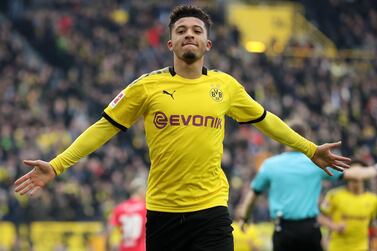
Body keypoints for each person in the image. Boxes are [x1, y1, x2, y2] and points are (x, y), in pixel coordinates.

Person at [14, 5, 351, 251]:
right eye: (181, 31)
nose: (189, 33)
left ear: (208, 45)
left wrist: (310, 148)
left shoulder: (226, 87)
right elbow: (103, 127)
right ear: (171, 44)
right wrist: (57, 165)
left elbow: (267, 121)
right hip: (163, 214)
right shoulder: (145, 87)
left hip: (212, 212)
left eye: (197, 30)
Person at [235, 122, 375, 251]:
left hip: (283, 230)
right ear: (306, 138)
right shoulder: (316, 163)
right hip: (309, 229)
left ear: (283, 136)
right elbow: (355, 174)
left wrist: (245, 217)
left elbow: (253, 194)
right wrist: (374, 168)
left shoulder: (270, 165)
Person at [319, 160, 377, 251]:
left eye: (360, 170)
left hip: (362, 248)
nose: (357, 173)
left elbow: (372, 224)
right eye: (353, 170)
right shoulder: (334, 195)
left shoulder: (373, 200)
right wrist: (333, 226)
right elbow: (320, 217)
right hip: (337, 248)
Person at [105, 178, 147, 251]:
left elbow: (109, 230)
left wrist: (107, 247)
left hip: (124, 248)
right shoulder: (145, 208)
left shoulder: (119, 208)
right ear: (140, 190)